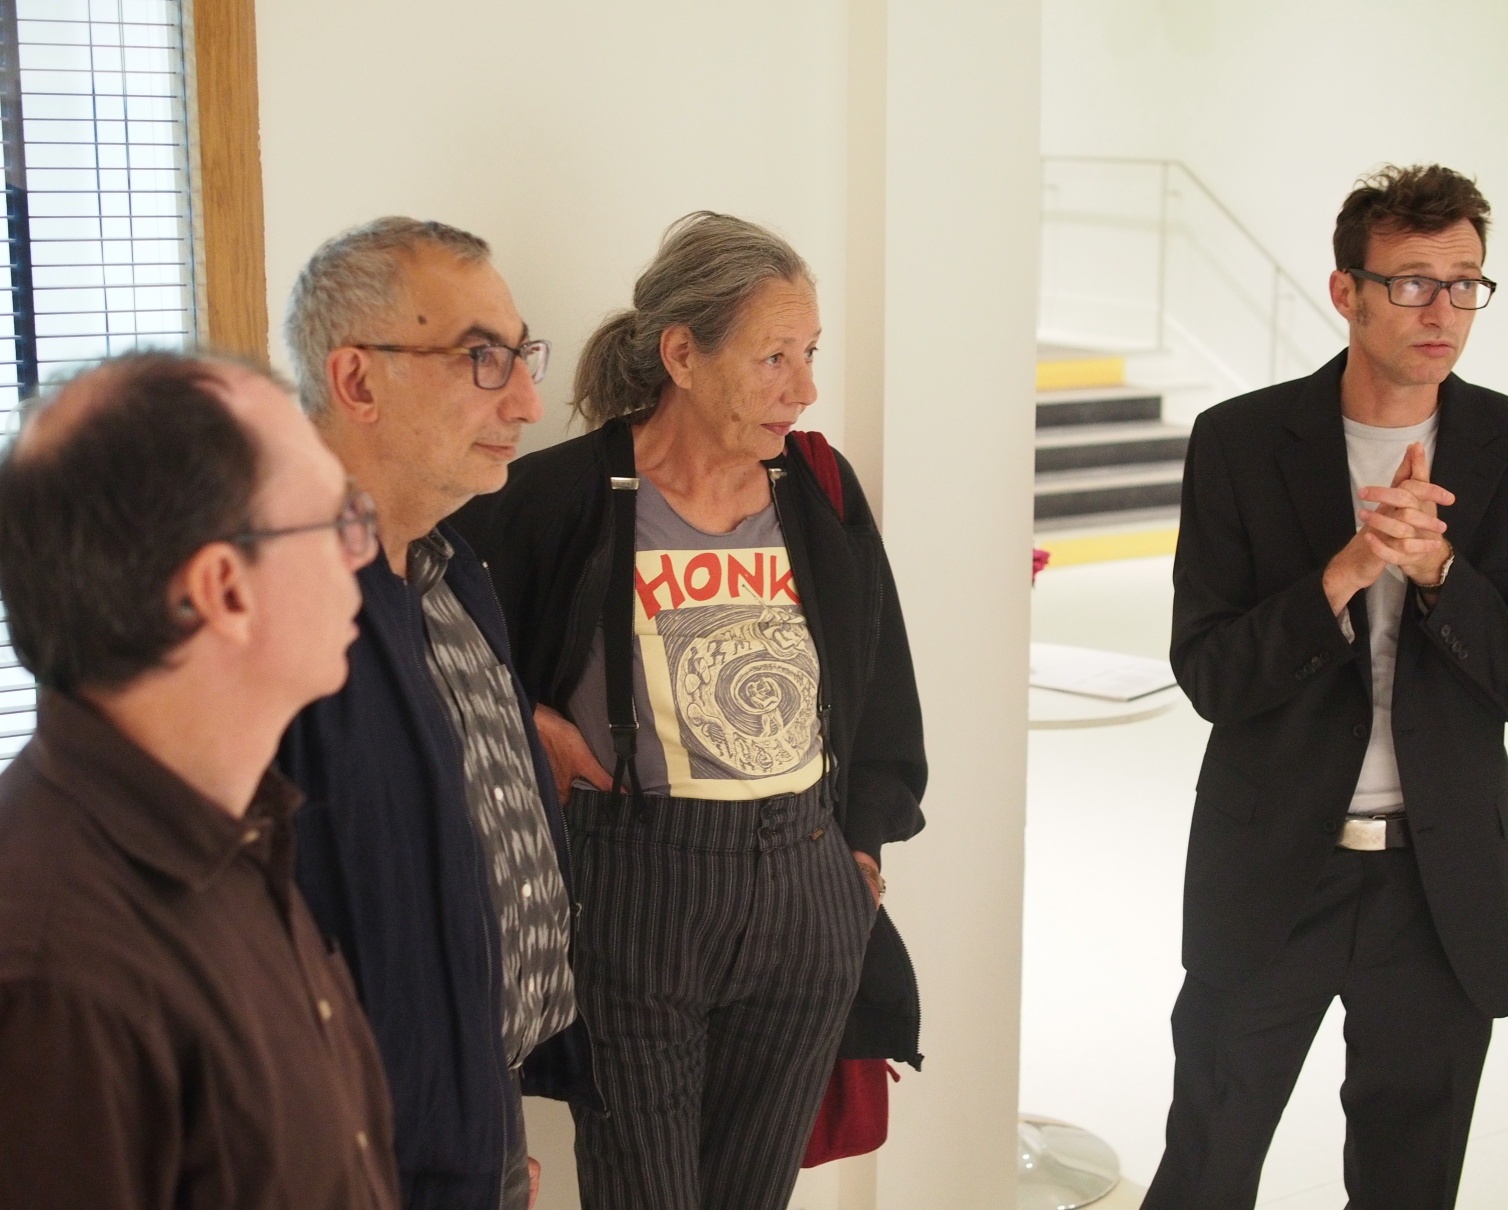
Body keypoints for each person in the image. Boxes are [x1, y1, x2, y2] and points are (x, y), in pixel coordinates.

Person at [452, 211, 926, 1210]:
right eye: (773, 357)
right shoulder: (560, 494)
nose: (802, 387)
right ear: (681, 355)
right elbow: (434, 634)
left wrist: (860, 851)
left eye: (809, 353)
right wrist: (528, 720)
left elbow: (879, 680)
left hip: (805, 884)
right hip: (638, 894)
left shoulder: (817, 489)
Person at [1147, 164, 1508, 1210]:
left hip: (1437, 889)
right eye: (1411, 283)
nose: (1442, 312)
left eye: (1464, 284)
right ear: (1345, 291)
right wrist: (1340, 575)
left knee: (1408, 1185)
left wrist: (1441, 575)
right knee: (1205, 1168)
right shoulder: (1240, 442)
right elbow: (1209, 673)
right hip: (1271, 871)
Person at [0, 352, 399, 1208]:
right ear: (224, 589)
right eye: (336, 520)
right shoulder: (51, 974)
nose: (358, 556)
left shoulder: (234, 828)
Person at [277, 217, 598, 1210]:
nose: (528, 401)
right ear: (357, 379)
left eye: (521, 356)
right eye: (482, 358)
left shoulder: (452, 568)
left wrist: (485, 1129)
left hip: (468, 1120)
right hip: (356, 1156)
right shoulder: (277, 614)